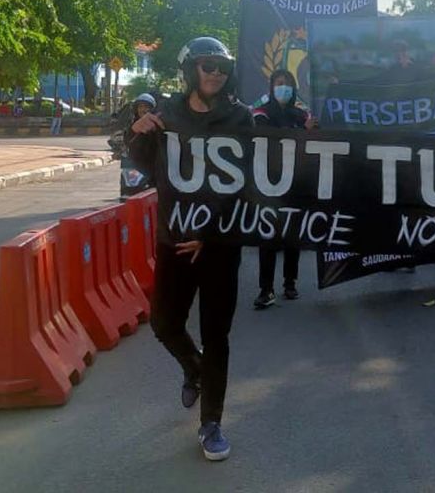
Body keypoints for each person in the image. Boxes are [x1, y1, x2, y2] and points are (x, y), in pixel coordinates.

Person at [126, 37, 252, 462]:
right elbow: (144, 166)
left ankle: (211, 422)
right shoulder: (167, 116)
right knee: (164, 323)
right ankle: (193, 368)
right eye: (207, 65)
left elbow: (252, 182)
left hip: (220, 245)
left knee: (217, 335)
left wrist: (211, 233)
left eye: (222, 67)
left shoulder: (240, 118)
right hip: (174, 242)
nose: (215, 73)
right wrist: (137, 133)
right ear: (190, 70)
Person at [251, 68, 318, 309]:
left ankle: (290, 283)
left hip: (296, 183)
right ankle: (266, 289)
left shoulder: (301, 114)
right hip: (268, 183)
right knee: (268, 237)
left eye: (287, 83)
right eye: (279, 83)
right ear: (271, 86)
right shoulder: (261, 112)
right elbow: (267, 136)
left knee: (293, 236)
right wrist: (302, 131)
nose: (283, 87)